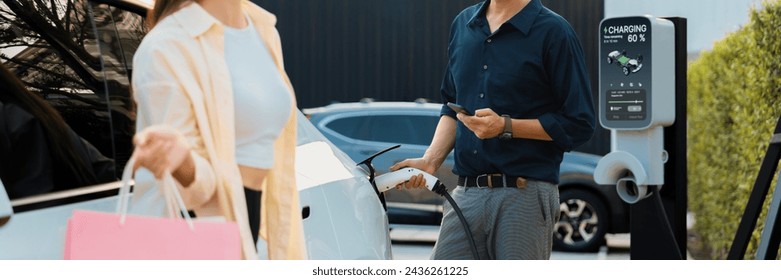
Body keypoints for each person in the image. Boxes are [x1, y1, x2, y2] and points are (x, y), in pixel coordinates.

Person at [390, 0, 595, 260]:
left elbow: (579, 123)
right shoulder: (463, 24)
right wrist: (430, 161)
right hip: (466, 193)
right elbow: (452, 106)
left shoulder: (554, 31)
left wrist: (505, 127)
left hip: (524, 196)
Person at [130, 0, 306, 259]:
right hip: (195, 230)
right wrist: (183, 161)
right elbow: (188, 192)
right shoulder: (167, 45)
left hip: (249, 215)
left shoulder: (262, 28)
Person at [0, 64, 116, 201]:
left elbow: (36, 203)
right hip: (91, 212)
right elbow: (104, 171)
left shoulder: (12, 118)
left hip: (52, 218)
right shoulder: (38, 112)